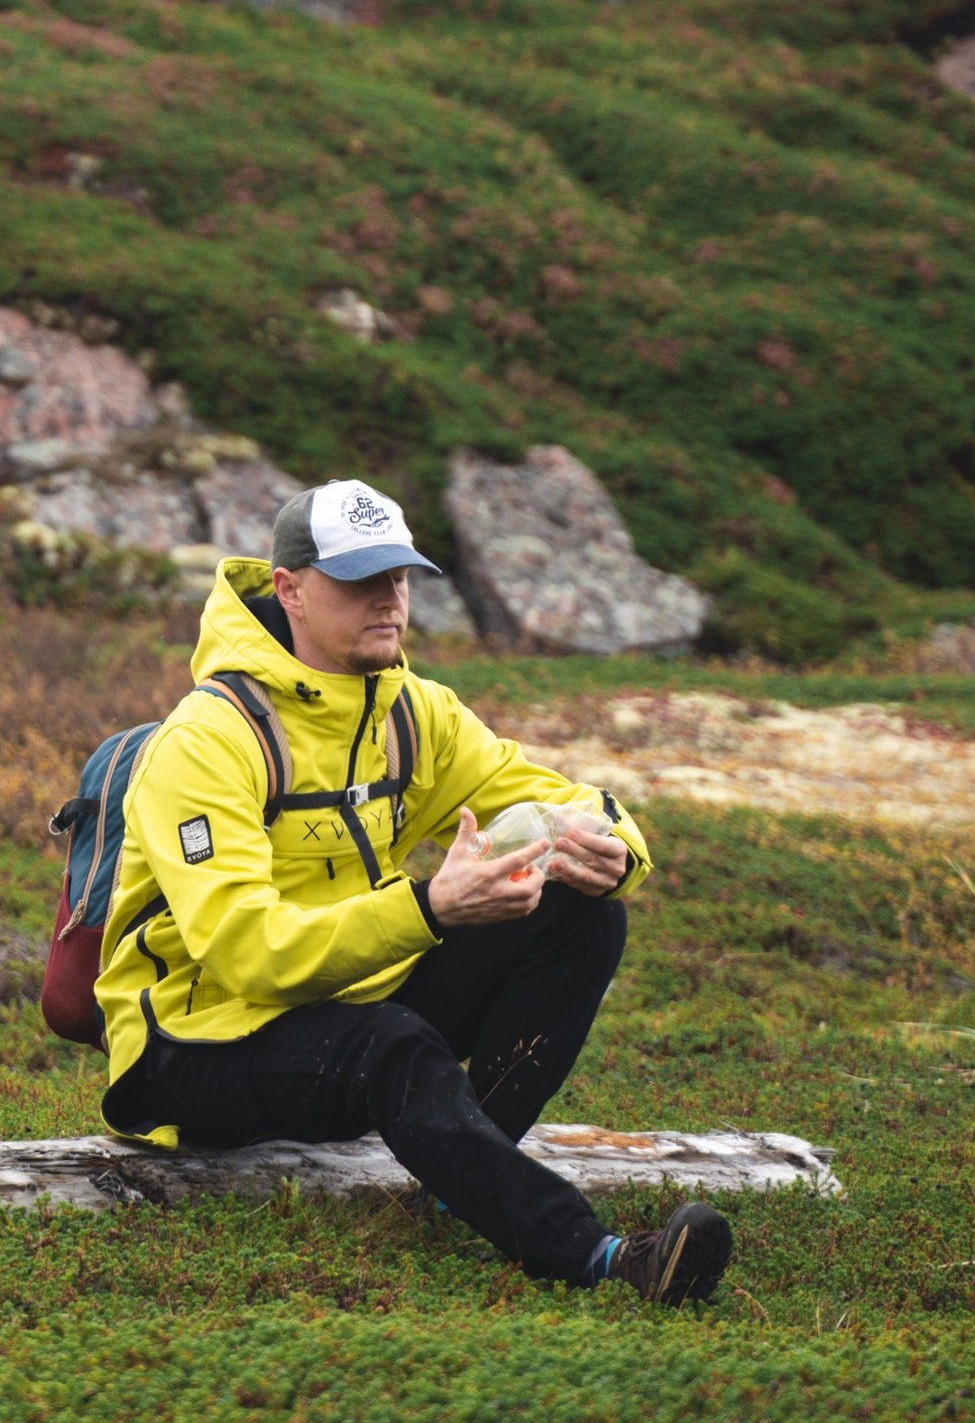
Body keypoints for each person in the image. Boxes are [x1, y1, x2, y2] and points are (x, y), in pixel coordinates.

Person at [95, 475, 732, 1304]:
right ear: (290, 589)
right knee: (389, 1041)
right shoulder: (207, 740)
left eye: (399, 576)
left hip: (346, 1007)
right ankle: (598, 1255)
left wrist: (616, 848)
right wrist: (430, 908)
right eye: (360, 579)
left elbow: (558, 795)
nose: (389, 599)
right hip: (192, 1045)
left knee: (582, 916)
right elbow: (246, 953)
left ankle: (461, 1181)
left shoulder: (411, 712)